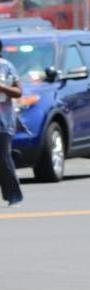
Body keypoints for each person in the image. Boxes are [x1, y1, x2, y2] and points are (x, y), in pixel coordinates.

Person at [0, 40, 23, 207]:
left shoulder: (6, 66)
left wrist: (2, 87)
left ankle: (13, 196)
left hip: (3, 122)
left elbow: (18, 91)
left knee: (3, 159)